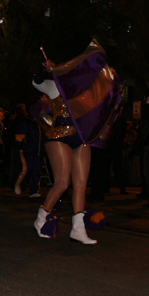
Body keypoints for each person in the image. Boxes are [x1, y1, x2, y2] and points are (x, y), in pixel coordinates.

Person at [30, 46, 121, 245]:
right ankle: (41, 218)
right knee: (62, 183)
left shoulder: (85, 90)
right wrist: (47, 69)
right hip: (58, 137)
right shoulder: (53, 86)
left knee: (80, 184)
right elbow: (35, 82)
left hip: (81, 138)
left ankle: (78, 229)